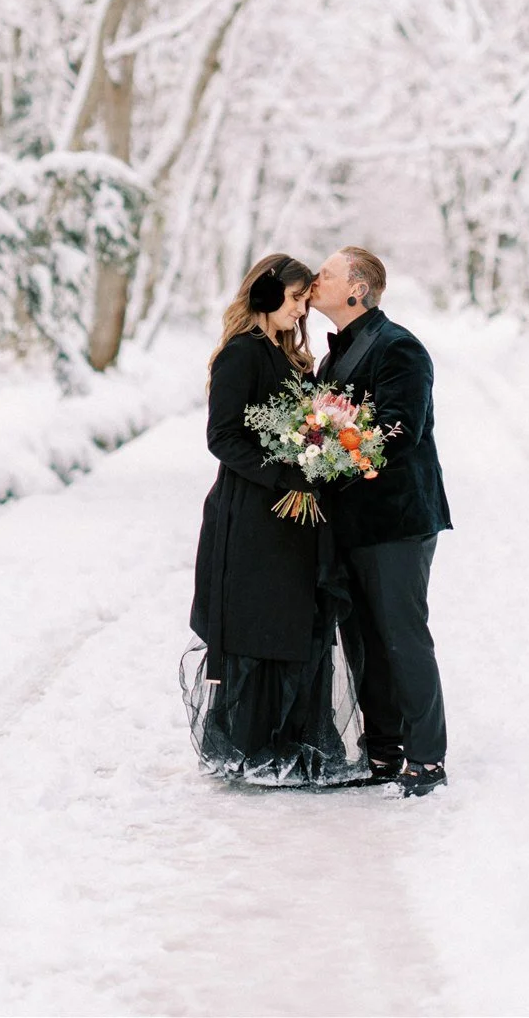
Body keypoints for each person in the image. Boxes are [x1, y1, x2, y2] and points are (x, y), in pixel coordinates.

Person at [184, 252, 364, 786]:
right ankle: (258, 746)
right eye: (295, 297)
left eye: (306, 298)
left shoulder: (291, 358)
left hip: (295, 522)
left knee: (299, 622)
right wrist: (289, 477)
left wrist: (319, 456)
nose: (303, 307)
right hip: (253, 518)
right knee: (264, 625)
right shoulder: (241, 355)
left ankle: (301, 745)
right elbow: (222, 438)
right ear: (265, 294)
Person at [311, 246, 452, 797]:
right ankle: (384, 750)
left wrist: (330, 454)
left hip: (398, 520)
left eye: (325, 274)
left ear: (357, 290)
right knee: (364, 640)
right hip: (353, 522)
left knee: (403, 636)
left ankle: (428, 758)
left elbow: (401, 431)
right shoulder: (331, 358)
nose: (314, 280)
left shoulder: (400, 348)